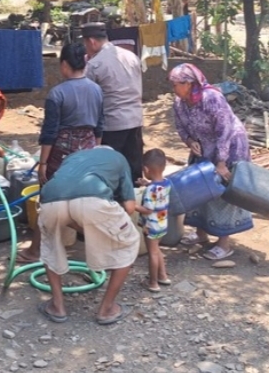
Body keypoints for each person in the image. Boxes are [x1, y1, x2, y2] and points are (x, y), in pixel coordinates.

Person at [17, 42, 104, 264]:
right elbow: (99, 127)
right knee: (82, 202)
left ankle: (36, 250)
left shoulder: (57, 94)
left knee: (48, 202)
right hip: (88, 153)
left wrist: (43, 164)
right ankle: (99, 247)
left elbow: (49, 133)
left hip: (61, 157)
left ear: (64, 64)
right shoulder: (96, 90)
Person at [36, 146, 139, 325]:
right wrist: (103, 227)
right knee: (129, 242)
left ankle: (57, 306)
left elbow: (68, 203)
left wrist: (84, 225)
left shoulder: (74, 157)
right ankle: (107, 309)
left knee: (51, 245)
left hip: (50, 199)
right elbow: (129, 208)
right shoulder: (118, 157)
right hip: (93, 199)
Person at [169, 63, 252, 260]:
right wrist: (189, 141)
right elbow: (180, 127)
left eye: (176, 84)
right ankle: (201, 234)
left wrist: (222, 162)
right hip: (203, 147)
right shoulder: (179, 103)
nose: (173, 88)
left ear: (189, 84)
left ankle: (224, 243)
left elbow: (225, 130)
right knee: (198, 187)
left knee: (221, 191)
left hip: (229, 146)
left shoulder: (211, 98)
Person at [82, 22, 145, 184]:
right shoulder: (131, 56)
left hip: (112, 124)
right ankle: (136, 203)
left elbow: (89, 99)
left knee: (111, 171)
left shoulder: (95, 65)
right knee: (134, 169)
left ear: (92, 42)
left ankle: (113, 205)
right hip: (135, 119)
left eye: (85, 44)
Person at [136, 148, 171, 292]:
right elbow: (158, 194)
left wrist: (134, 206)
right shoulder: (166, 183)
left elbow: (148, 209)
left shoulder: (151, 190)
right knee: (157, 250)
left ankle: (153, 282)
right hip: (162, 224)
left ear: (146, 169)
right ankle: (162, 276)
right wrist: (147, 184)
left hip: (151, 226)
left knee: (152, 253)